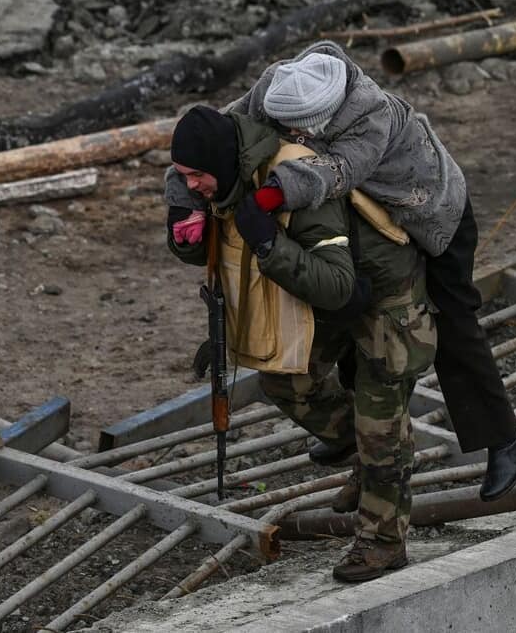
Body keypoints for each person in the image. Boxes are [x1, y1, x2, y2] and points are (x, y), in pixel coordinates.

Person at [222, 41, 516, 501]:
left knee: (449, 323)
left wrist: (269, 196)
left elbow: (338, 170)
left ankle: (504, 439)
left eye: (300, 131)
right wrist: (183, 195)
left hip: (431, 213)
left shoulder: (371, 112)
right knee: (357, 320)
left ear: (323, 116)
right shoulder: (280, 85)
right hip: (374, 223)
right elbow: (225, 131)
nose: (292, 136)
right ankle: (360, 452)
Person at [165, 105, 436, 582]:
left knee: (382, 425)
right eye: (183, 177)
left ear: (218, 161)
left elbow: (335, 283)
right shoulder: (232, 179)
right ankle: (370, 460)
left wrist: (269, 243)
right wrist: (188, 232)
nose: (190, 186)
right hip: (331, 298)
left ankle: (383, 543)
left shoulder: (295, 180)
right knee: (286, 380)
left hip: (386, 302)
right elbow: (229, 254)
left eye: (195, 176)